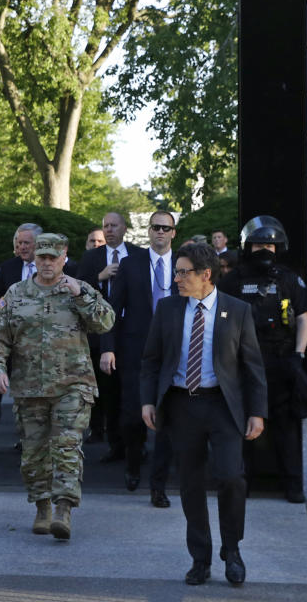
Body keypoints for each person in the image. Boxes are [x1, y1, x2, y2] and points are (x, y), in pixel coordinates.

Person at [140, 242, 267, 586]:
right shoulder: (167, 309)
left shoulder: (237, 310)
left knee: (230, 476)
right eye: (176, 272)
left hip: (223, 406)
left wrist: (257, 412)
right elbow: (151, 360)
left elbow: (252, 366)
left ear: (205, 275)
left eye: (183, 272)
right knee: (191, 484)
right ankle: (201, 557)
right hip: (182, 405)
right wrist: (148, 401)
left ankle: (233, 549)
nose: (176, 279)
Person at [0, 233, 115, 540]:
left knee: (67, 447)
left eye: (51, 258)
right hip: (29, 389)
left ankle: (63, 510)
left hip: (73, 385)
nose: (45, 263)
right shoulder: (16, 294)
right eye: (41, 257)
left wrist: (81, 295)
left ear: (63, 258)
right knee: (33, 454)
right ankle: (42, 506)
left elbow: (106, 322)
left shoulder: (79, 289)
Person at [218, 216, 307, 503]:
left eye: (270, 245)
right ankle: (243, 483)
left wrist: (298, 355)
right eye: (259, 243)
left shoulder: (288, 278)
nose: (264, 249)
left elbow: (303, 319)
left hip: (282, 361)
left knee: (286, 428)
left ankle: (292, 485)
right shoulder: (233, 280)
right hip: (244, 364)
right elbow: (219, 319)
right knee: (245, 426)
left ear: (279, 247)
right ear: (248, 245)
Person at [100, 210, 177, 507]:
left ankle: (158, 486)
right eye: (155, 227)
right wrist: (108, 348)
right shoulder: (130, 265)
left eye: (165, 228)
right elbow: (111, 310)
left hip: (173, 354)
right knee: (132, 416)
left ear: (173, 233)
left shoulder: (183, 266)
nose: (159, 232)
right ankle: (132, 466)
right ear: (148, 231)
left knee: (166, 419)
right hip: (135, 353)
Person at [76, 212, 144, 461]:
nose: (110, 230)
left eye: (114, 225)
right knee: (109, 390)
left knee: (135, 390)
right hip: (102, 332)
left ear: (125, 228)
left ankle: (138, 443)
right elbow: (79, 288)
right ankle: (115, 443)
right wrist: (100, 277)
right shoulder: (92, 257)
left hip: (133, 329)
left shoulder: (139, 255)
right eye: (106, 226)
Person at [0, 222, 43, 423]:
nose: (22, 247)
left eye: (27, 243)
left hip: (45, 342)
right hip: (17, 342)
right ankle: (26, 437)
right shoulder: (7, 268)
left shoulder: (48, 266)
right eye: (19, 242)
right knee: (22, 396)